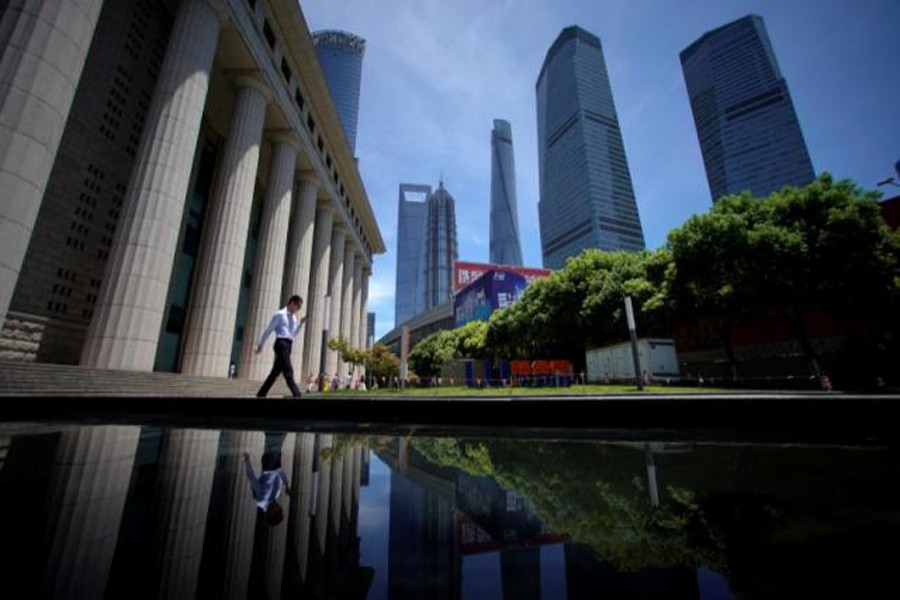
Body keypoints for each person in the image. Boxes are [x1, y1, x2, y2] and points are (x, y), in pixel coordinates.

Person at [255, 295, 307, 398]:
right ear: (292, 303)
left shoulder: (294, 318)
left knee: (275, 373)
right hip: (280, 343)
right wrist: (260, 344)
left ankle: (261, 393)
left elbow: (293, 335)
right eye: (298, 306)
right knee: (288, 370)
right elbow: (269, 330)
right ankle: (297, 394)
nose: (298, 309)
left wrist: (301, 324)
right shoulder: (280, 314)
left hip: (288, 344)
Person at [242, 441, 291, 527]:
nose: (281, 508)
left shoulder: (262, 499)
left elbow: (252, 479)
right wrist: (286, 485)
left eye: (279, 511)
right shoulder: (274, 497)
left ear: (272, 513)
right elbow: (279, 473)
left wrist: (247, 461)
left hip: (269, 463)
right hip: (277, 463)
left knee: (276, 437)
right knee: (278, 436)